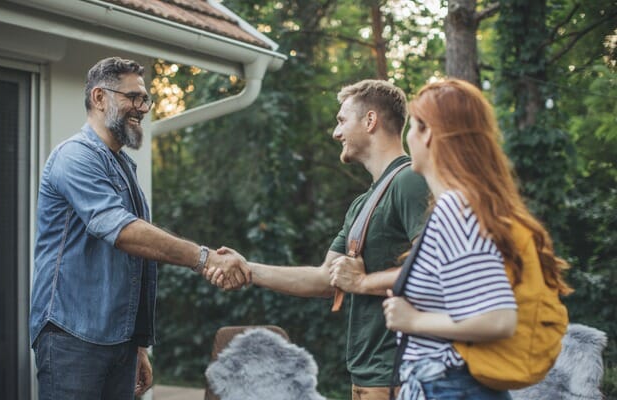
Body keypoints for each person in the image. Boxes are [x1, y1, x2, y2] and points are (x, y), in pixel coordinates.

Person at [29, 57, 251, 400]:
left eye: (144, 99)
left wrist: (138, 345)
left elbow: (133, 266)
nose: (142, 108)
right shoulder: (75, 157)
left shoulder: (121, 166)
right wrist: (203, 258)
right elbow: (123, 232)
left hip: (117, 341)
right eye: (132, 97)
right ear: (100, 97)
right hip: (72, 339)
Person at [213, 79, 430, 400]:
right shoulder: (363, 203)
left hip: (399, 375)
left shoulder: (410, 181)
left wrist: (364, 282)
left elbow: (432, 270)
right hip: (367, 376)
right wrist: (247, 269)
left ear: (370, 121)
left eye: (342, 120)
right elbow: (325, 278)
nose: (336, 133)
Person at [383, 79, 572, 399]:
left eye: (413, 127)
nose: (409, 138)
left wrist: (413, 320)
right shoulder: (471, 207)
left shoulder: (457, 209)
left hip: (450, 386)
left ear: (427, 133)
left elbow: (496, 319)